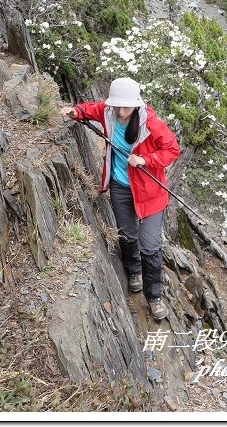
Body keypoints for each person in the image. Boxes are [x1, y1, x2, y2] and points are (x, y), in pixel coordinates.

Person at [60, 77, 180, 321]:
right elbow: (90, 110)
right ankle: (134, 271)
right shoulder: (109, 112)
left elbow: (172, 150)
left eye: (126, 107)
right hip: (120, 186)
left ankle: (154, 296)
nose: (121, 111)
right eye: (118, 106)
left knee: (150, 245)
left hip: (150, 194)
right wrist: (76, 111)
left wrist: (146, 160)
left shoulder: (151, 124)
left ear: (136, 105)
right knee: (126, 234)